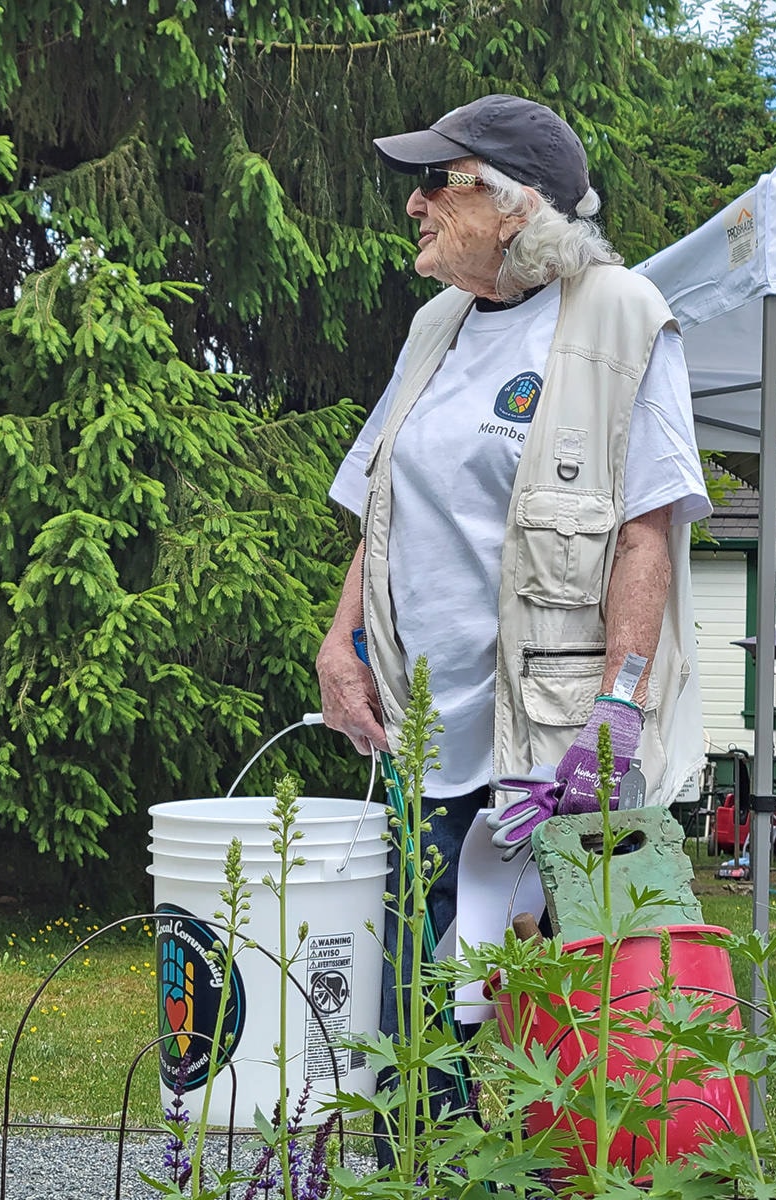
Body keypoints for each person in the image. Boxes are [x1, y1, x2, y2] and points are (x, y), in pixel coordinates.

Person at [315, 93, 711, 1145]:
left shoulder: (620, 314)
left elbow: (645, 533)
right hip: (425, 739)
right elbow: (383, 496)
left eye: (438, 183)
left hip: (550, 750)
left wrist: (618, 709)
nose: (414, 205)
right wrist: (340, 635)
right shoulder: (434, 324)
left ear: (511, 202)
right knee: (416, 1025)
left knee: (561, 1036)